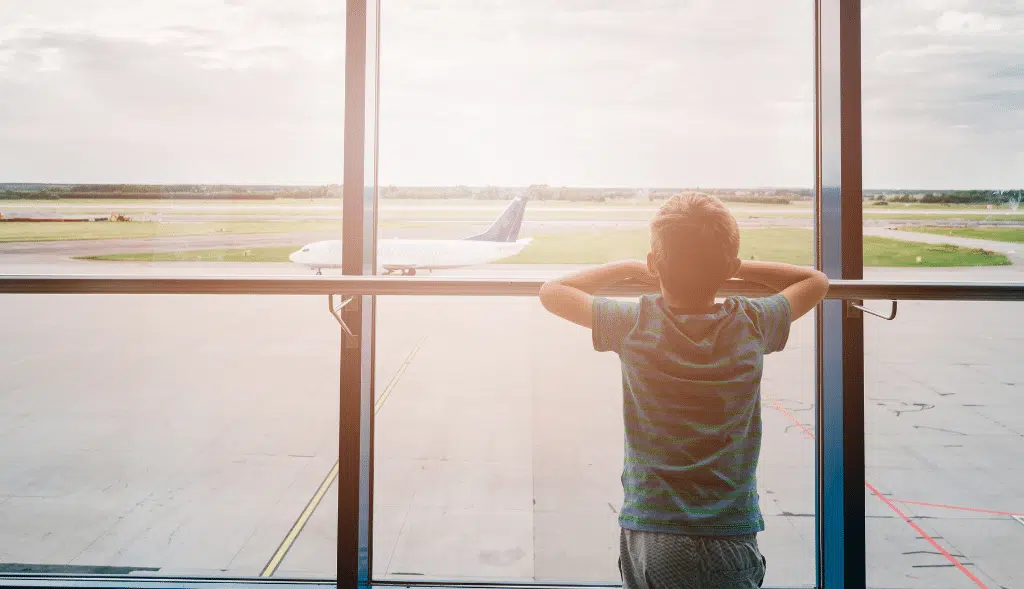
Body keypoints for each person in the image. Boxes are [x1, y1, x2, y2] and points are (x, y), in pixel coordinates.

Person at [538, 192, 829, 588]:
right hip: (724, 532)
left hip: (648, 529)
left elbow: (552, 291)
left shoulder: (633, 322)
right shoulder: (752, 322)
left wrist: (631, 267)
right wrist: (734, 268)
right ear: (730, 267)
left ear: (654, 264)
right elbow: (815, 280)